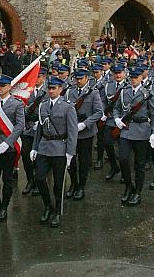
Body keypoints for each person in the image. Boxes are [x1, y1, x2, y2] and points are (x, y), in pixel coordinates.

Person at [31, 76, 78, 228]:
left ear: (60, 89)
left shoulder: (68, 106)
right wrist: (34, 146)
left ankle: (57, 211)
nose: (51, 91)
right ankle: (47, 206)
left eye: (54, 88)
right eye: (49, 88)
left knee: (58, 184)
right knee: (39, 178)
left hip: (60, 147)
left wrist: (70, 152)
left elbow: (72, 131)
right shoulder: (43, 106)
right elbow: (40, 127)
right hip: (44, 145)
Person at [113, 66, 154, 206]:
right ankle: (129, 186)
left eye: (136, 77)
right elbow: (116, 109)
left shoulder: (147, 94)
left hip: (142, 131)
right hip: (126, 130)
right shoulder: (124, 92)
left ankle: (138, 192)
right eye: (131, 78)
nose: (133, 80)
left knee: (139, 164)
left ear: (141, 78)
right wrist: (116, 119)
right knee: (123, 159)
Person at [0, 74, 25, 221]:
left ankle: (4, 207)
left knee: (7, 179)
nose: (0, 88)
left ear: (9, 87)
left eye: (3, 86)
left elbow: (20, 125)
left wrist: (8, 142)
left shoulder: (17, 104)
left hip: (8, 145)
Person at [65, 68, 103, 200]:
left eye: (81, 78)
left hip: (86, 132)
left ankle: (81, 186)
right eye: (77, 78)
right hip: (71, 131)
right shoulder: (70, 91)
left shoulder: (93, 93)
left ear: (87, 78)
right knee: (71, 159)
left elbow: (98, 112)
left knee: (84, 160)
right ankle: (73, 183)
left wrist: (85, 124)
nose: (79, 81)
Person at [21, 66, 48, 195]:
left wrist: (42, 121)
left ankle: (39, 181)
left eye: (39, 76)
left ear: (44, 77)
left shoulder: (48, 91)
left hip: (41, 126)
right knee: (25, 155)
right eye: (35, 76)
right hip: (28, 126)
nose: (36, 79)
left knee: (39, 156)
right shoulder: (28, 90)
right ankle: (30, 179)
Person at [102, 64, 127, 181]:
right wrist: (103, 112)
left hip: (124, 121)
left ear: (124, 73)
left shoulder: (129, 85)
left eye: (120, 72)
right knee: (107, 143)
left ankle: (124, 172)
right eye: (115, 73)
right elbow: (103, 101)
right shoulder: (108, 85)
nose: (118, 75)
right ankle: (114, 167)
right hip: (111, 119)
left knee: (123, 149)